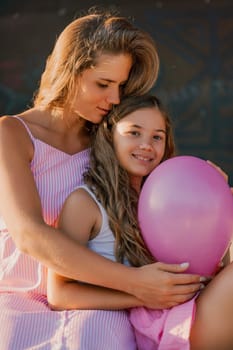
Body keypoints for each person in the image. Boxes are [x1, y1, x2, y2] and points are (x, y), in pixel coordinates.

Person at [0, 7, 205, 349]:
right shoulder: (12, 133)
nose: (114, 99)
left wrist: (203, 178)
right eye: (103, 84)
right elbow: (28, 234)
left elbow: (159, 189)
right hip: (14, 297)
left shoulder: (108, 140)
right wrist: (136, 284)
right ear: (69, 72)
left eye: (121, 86)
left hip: (96, 296)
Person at [47, 94, 233, 350]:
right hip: (155, 324)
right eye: (134, 133)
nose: (146, 145)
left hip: (190, 306)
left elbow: (209, 267)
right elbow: (59, 294)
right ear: (109, 135)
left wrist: (220, 204)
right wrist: (139, 295)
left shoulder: (171, 196)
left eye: (157, 137)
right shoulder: (85, 203)